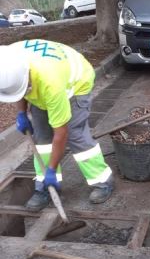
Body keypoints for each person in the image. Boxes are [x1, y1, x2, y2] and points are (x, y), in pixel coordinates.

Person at [0, 39, 113, 211]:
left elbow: (61, 134)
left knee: (76, 135)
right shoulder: (8, 60)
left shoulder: (51, 84)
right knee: (42, 139)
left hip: (75, 84)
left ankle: (102, 181)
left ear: (28, 79)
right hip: (43, 81)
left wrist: (51, 169)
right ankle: (46, 187)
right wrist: (21, 113)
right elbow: (17, 90)